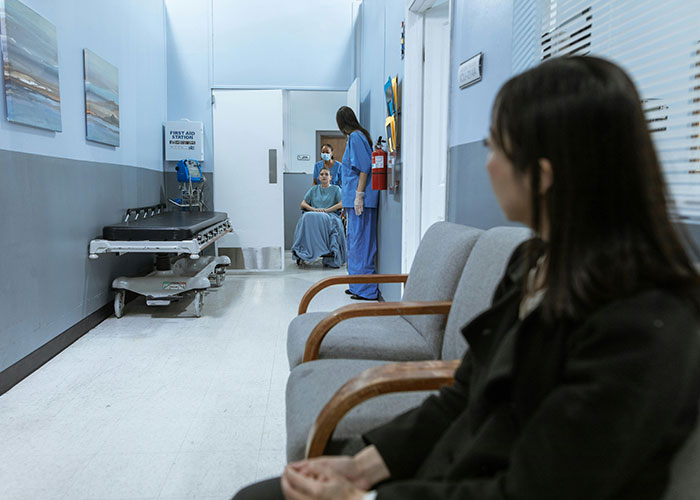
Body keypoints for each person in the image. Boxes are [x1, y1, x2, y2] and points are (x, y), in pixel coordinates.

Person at [233, 56, 700, 500]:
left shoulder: (643, 323)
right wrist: (361, 464)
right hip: (455, 470)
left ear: (542, 176)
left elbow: (531, 490)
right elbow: (463, 395)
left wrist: (362, 496)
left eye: (493, 146)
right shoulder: (534, 265)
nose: (486, 163)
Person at [335, 106, 379, 300]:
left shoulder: (356, 137)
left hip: (361, 202)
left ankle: (366, 290)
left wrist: (359, 194)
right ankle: (356, 285)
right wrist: (348, 202)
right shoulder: (355, 137)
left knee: (361, 244)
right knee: (354, 243)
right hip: (353, 203)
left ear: (341, 123)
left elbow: (364, 167)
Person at [291, 167, 346, 268]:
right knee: (306, 216)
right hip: (313, 214)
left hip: (330, 215)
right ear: (319, 177)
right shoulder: (314, 189)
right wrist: (313, 209)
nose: (324, 176)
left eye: (326, 174)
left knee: (318, 217)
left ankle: (324, 249)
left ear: (331, 177)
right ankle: (304, 248)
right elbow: (303, 204)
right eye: (321, 174)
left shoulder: (336, 189)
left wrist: (326, 210)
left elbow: (342, 203)